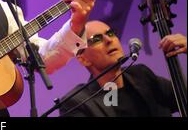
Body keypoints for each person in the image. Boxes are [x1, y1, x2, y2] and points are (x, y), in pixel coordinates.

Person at [59, 20, 187, 117]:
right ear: (83, 59)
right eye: (97, 39)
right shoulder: (77, 103)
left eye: (110, 33)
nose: (109, 40)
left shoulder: (142, 75)